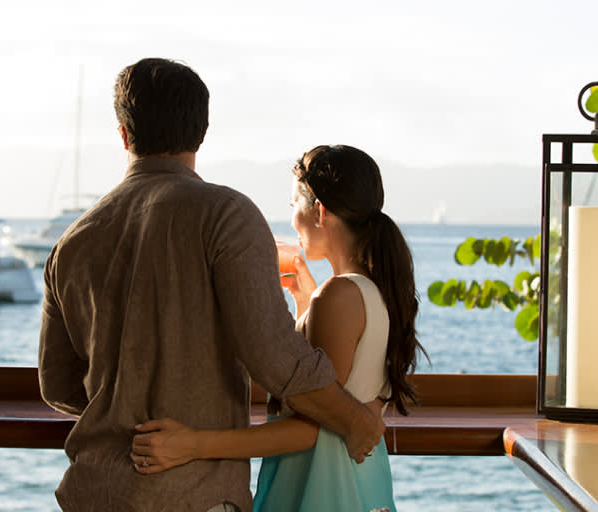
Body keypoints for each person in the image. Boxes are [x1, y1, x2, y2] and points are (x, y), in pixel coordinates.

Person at [38, 59, 385, 512]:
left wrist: (134, 395)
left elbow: (58, 384)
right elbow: (276, 358)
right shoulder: (226, 215)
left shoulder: (72, 241)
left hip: (92, 493)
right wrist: (356, 419)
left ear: (124, 133)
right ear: (201, 133)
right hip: (194, 497)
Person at [130, 145, 427, 512]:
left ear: (319, 211)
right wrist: (306, 301)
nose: (291, 221)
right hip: (355, 479)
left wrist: (193, 445)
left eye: (292, 207)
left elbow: (308, 428)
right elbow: (346, 386)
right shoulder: (375, 289)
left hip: (320, 485)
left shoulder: (338, 296)